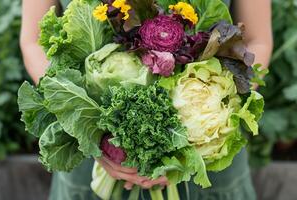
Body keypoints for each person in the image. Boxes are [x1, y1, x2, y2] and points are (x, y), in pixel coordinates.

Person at [20, 0, 273, 199]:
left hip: (203, 158)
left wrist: (198, 122)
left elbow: (257, 41)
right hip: (91, 161)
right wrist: (93, 129)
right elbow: (32, 41)